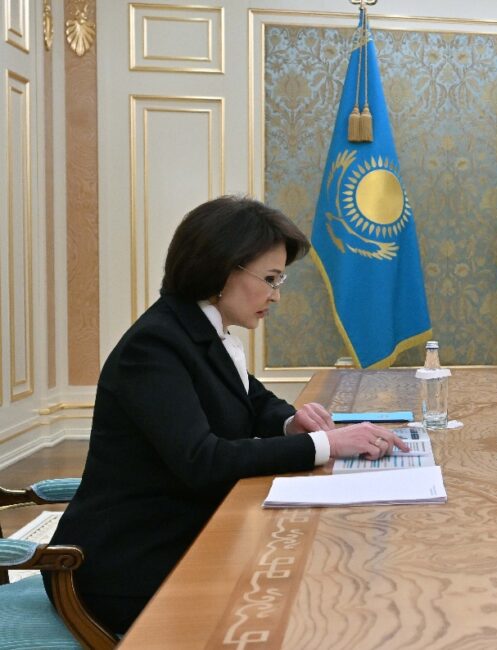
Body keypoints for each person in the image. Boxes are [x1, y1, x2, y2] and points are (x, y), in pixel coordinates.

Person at [45, 196, 410, 634]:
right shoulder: (155, 347)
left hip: (182, 534)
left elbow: (252, 399)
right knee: (316, 593)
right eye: (270, 279)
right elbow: (203, 460)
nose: (276, 295)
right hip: (128, 565)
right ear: (223, 269)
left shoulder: (197, 329)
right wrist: (324, 444)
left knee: (322, 575)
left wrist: (291, 422)